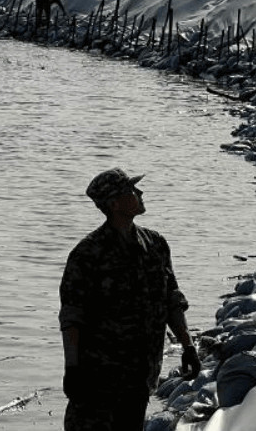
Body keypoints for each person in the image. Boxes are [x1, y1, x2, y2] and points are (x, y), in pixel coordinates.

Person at [59, 168, 201, 430]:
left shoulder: (156, 244)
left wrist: (188, 347)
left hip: (141, 376)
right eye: (131, 190)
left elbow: (172, 300)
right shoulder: (88, 254)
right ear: (114, 204)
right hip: (98, 379)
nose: (140, 193)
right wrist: (72, 369)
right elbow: (72, 317)